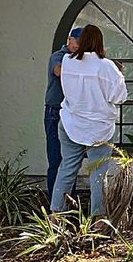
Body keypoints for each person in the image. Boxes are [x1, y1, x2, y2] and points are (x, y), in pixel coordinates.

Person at [50, 24, 128, 216]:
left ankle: (56, 215)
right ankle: (98, 218)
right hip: (99, 128)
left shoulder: (67, 61)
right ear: (99, 42)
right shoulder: (106, 66)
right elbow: (119, 97)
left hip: (70, 122)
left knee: (67, 168)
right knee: (98, 174)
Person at [45, 27, 82, 196]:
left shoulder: (82, 60)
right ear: (69, 39)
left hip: (74, 113)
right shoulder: (58, 56)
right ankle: (55, 202)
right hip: (55, 112)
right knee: (56, 159)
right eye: (76, 41)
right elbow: (59, 71)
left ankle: (69, 201)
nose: (78, 45)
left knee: (70, 161)